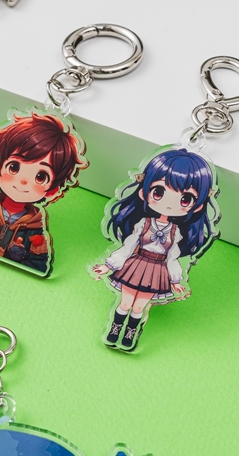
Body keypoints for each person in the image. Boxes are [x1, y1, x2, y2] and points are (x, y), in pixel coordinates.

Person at [93, 148, 220, 350]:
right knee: (125, 303)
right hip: (135, 265)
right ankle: (114, 330)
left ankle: (129, 335)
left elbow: (172, 258)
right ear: (144, 191)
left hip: (157, 271)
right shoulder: (143, 223)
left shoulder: (176, 232)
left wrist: (176, 281)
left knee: (139, 307)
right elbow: (128, 247)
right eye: (159, 192)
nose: (169, 204)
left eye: (185, 199)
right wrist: (109, 266)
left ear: (197, 205)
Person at [0, 112, 87, 276]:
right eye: (14, 167)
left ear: (52, 190)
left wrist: (13, 257)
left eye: (40, 177)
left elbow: (39, 265)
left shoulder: (35, 231)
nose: (23, 181)